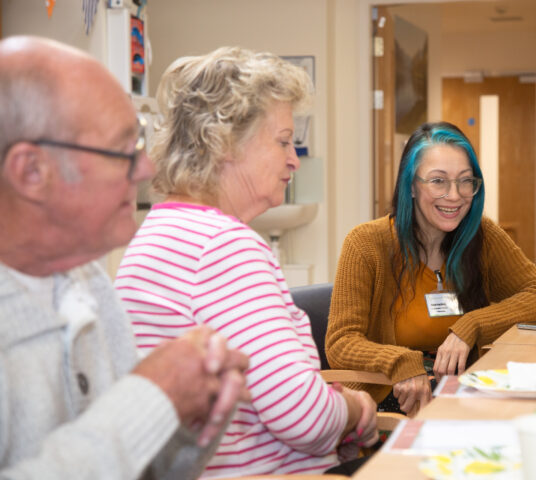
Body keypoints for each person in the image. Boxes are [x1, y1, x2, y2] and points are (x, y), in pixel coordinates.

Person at [114, 46, 378, 477]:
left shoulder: (155, 234)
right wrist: (355, 406)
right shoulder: (222, 245)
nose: (294, 158)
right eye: (282, 141)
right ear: (225, 143)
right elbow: (303, 418)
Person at [0, 36, 251, 479]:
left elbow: (137, 467)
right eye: (122, 151)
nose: (147, 169)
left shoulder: (88, 283)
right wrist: (153, 397)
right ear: (31, 172)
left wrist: (189, 418)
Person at [326, 121, 536, 416]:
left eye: (465, 181)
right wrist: (400, 362)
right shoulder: (365, 244)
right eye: (438, 181)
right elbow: (340, 342)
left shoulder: (482, 236)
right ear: (411, 186)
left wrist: (471, 326)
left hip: (467, 393)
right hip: (393, 400)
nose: (455, 195)